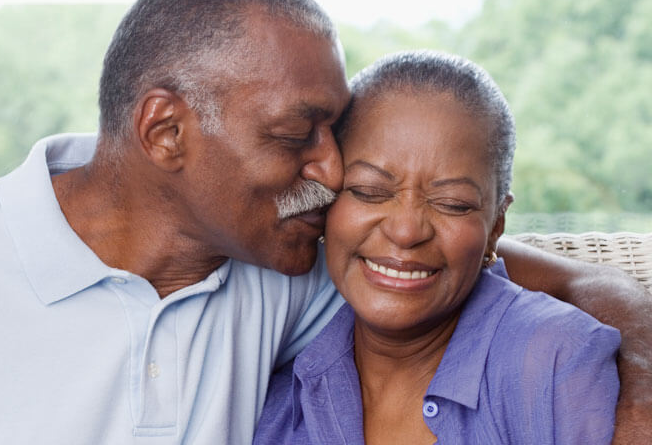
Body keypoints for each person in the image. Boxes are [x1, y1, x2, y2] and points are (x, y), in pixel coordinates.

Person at [0, 0, 652, 444]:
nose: (334, 171)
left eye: (336, 133)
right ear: (165, 131)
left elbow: (490, 267)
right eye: (296, 132)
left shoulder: (284, 267)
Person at [255, 51, 620, 444]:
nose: (407, 231)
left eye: (452, 204)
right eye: (369, 191)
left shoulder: (555, 362)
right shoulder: (279, 391)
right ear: (327, 203)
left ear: (496, 224)